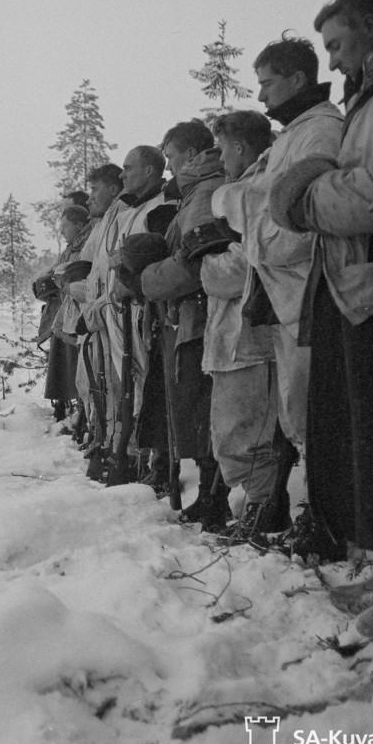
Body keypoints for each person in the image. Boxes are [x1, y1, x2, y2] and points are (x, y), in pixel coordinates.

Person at [270, 0, 373, 638]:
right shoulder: (367, 96)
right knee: (365, 438)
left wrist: (310, 197)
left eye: (335, 43)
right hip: (357, 288)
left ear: (370, 31)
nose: (331, 57)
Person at [209, 36, 344, 552]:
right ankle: (316, 518)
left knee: (309, 412)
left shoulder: (321, 133)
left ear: (295, 79)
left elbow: (301, 220)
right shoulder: (292, 136)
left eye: (267, 82)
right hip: (285, 296)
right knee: (295, 410)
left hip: (310, 290)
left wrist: (235, 208)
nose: (262, 95)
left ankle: (326, 523)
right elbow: (265, 205)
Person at [194, 111, 283, 540]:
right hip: (232, 336)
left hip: (252, 336)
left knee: (249, 434)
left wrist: (206, 265)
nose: (222, 157)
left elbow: (250, 259)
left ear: (241, 147)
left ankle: (263, 513)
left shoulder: (259, 186)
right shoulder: (245, 187)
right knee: (232, 433)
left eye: (224, 147)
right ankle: (253, 510)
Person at [137, 121, 226, 527]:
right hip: (190, 315)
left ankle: (215, 494)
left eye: (171, 157)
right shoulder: (195, 192)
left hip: (201, 314)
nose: (169, 165)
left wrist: (148, 280)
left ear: (191, 155)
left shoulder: (205, 192)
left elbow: (193, 263)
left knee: (205, 406)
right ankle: (210, 492)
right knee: (197, 405)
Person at [78, 147, 175, 483]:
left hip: (142, 311)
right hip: (117, 312)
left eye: (129, 168)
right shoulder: (125, 211)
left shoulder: (160, 208)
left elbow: (151, 258)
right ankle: (126, 451)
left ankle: (154, 461)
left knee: (146, 384)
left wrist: (131, 285)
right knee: (123, 385)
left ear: (149, 171)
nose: (123, 175)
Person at [67, 164, 124, 469]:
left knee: (119, 390)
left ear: (114, 189)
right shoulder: (103, 222)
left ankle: (122, 455)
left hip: (114, 316)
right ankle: (104, 444)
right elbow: (91, 268)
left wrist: (93, 299)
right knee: (96, 385)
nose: (89, 199)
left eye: (95, 190)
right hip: (99, 316)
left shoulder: (122, 216)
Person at [41, 203, 92, 425]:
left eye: (65, 226)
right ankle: (69, 410)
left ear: (79, 225)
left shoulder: (87, 245)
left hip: (79, 315)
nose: (62, 231)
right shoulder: (70, 248)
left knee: (81, 370)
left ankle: (83, 416)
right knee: (66, 367)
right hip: (67, 313)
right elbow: (55, 271)